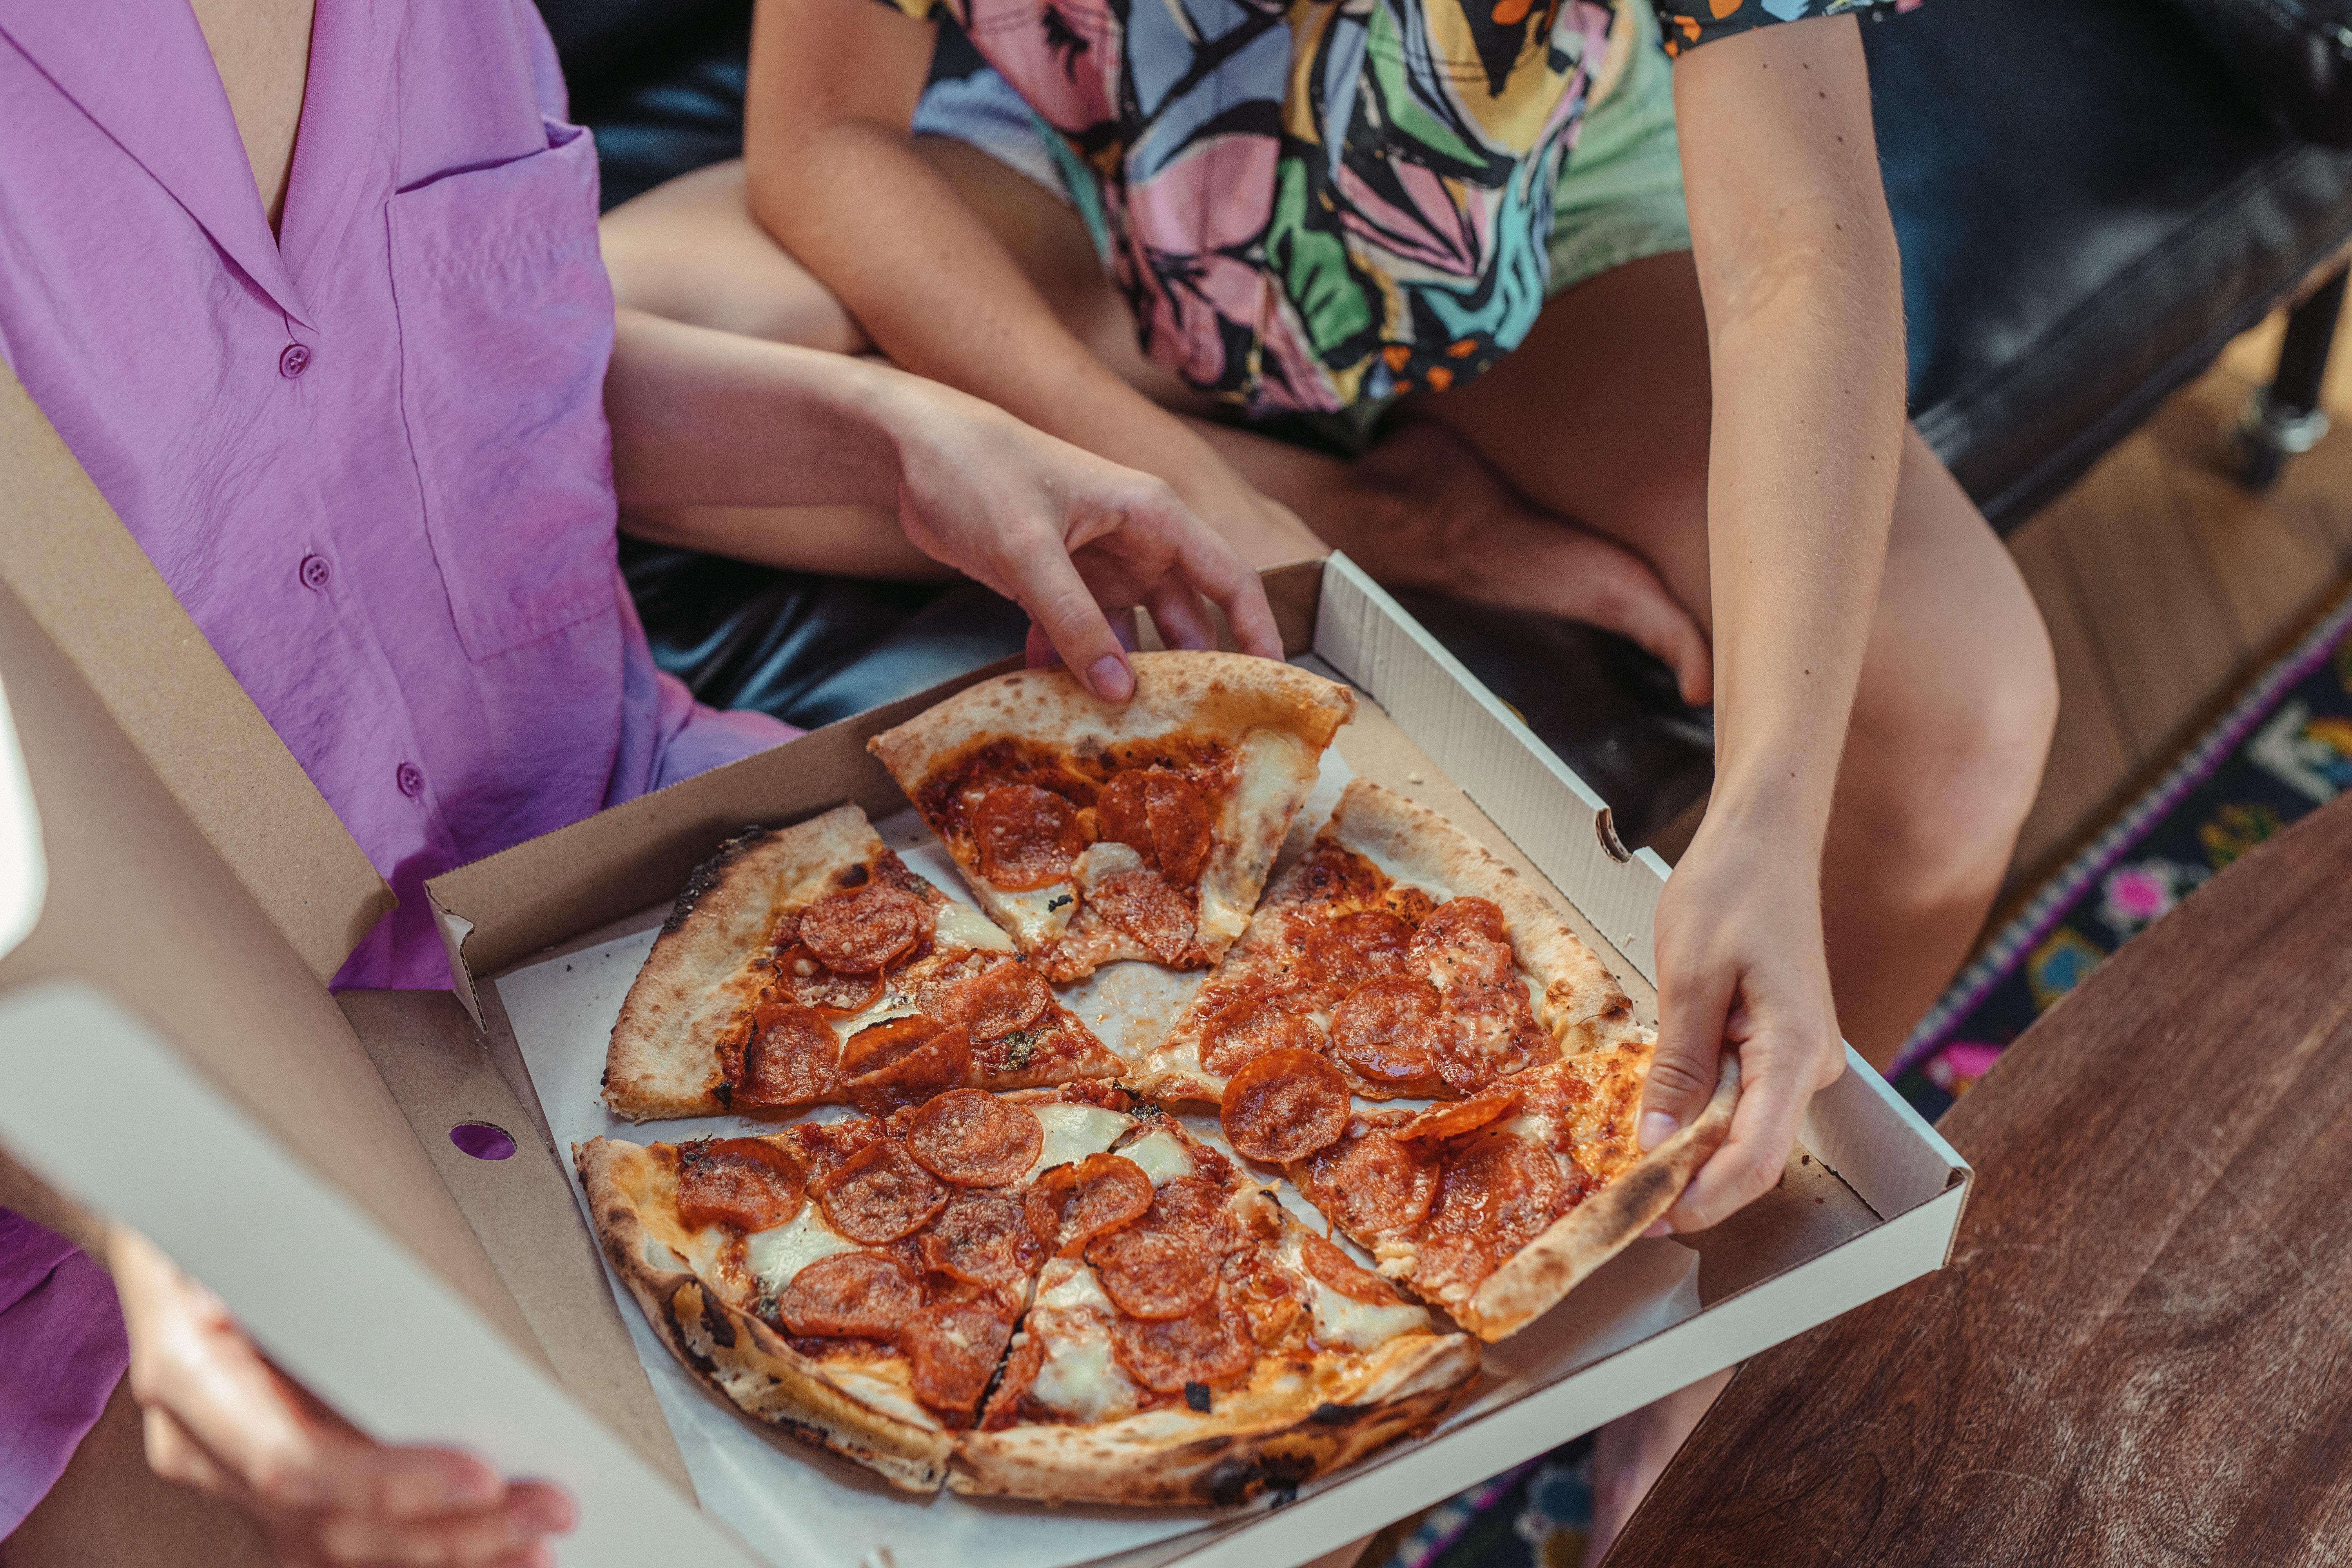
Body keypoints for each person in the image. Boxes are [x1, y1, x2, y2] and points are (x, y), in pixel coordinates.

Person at [594, 0, 2060, 1548]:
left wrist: (1769, 799)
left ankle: (1701, 1314)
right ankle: (1392, 511)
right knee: (582, 353)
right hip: (1099, 201)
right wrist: (1228, 510)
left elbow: (1798, 248)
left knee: (1961, 726)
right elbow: (823, 140)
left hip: (1546, 227)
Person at [0, 0, 1279, 1561]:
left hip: (640, 864)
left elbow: (468, 392)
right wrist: (163, 1230)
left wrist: (892, 439)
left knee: (1251, 1376)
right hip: (127, 1165)